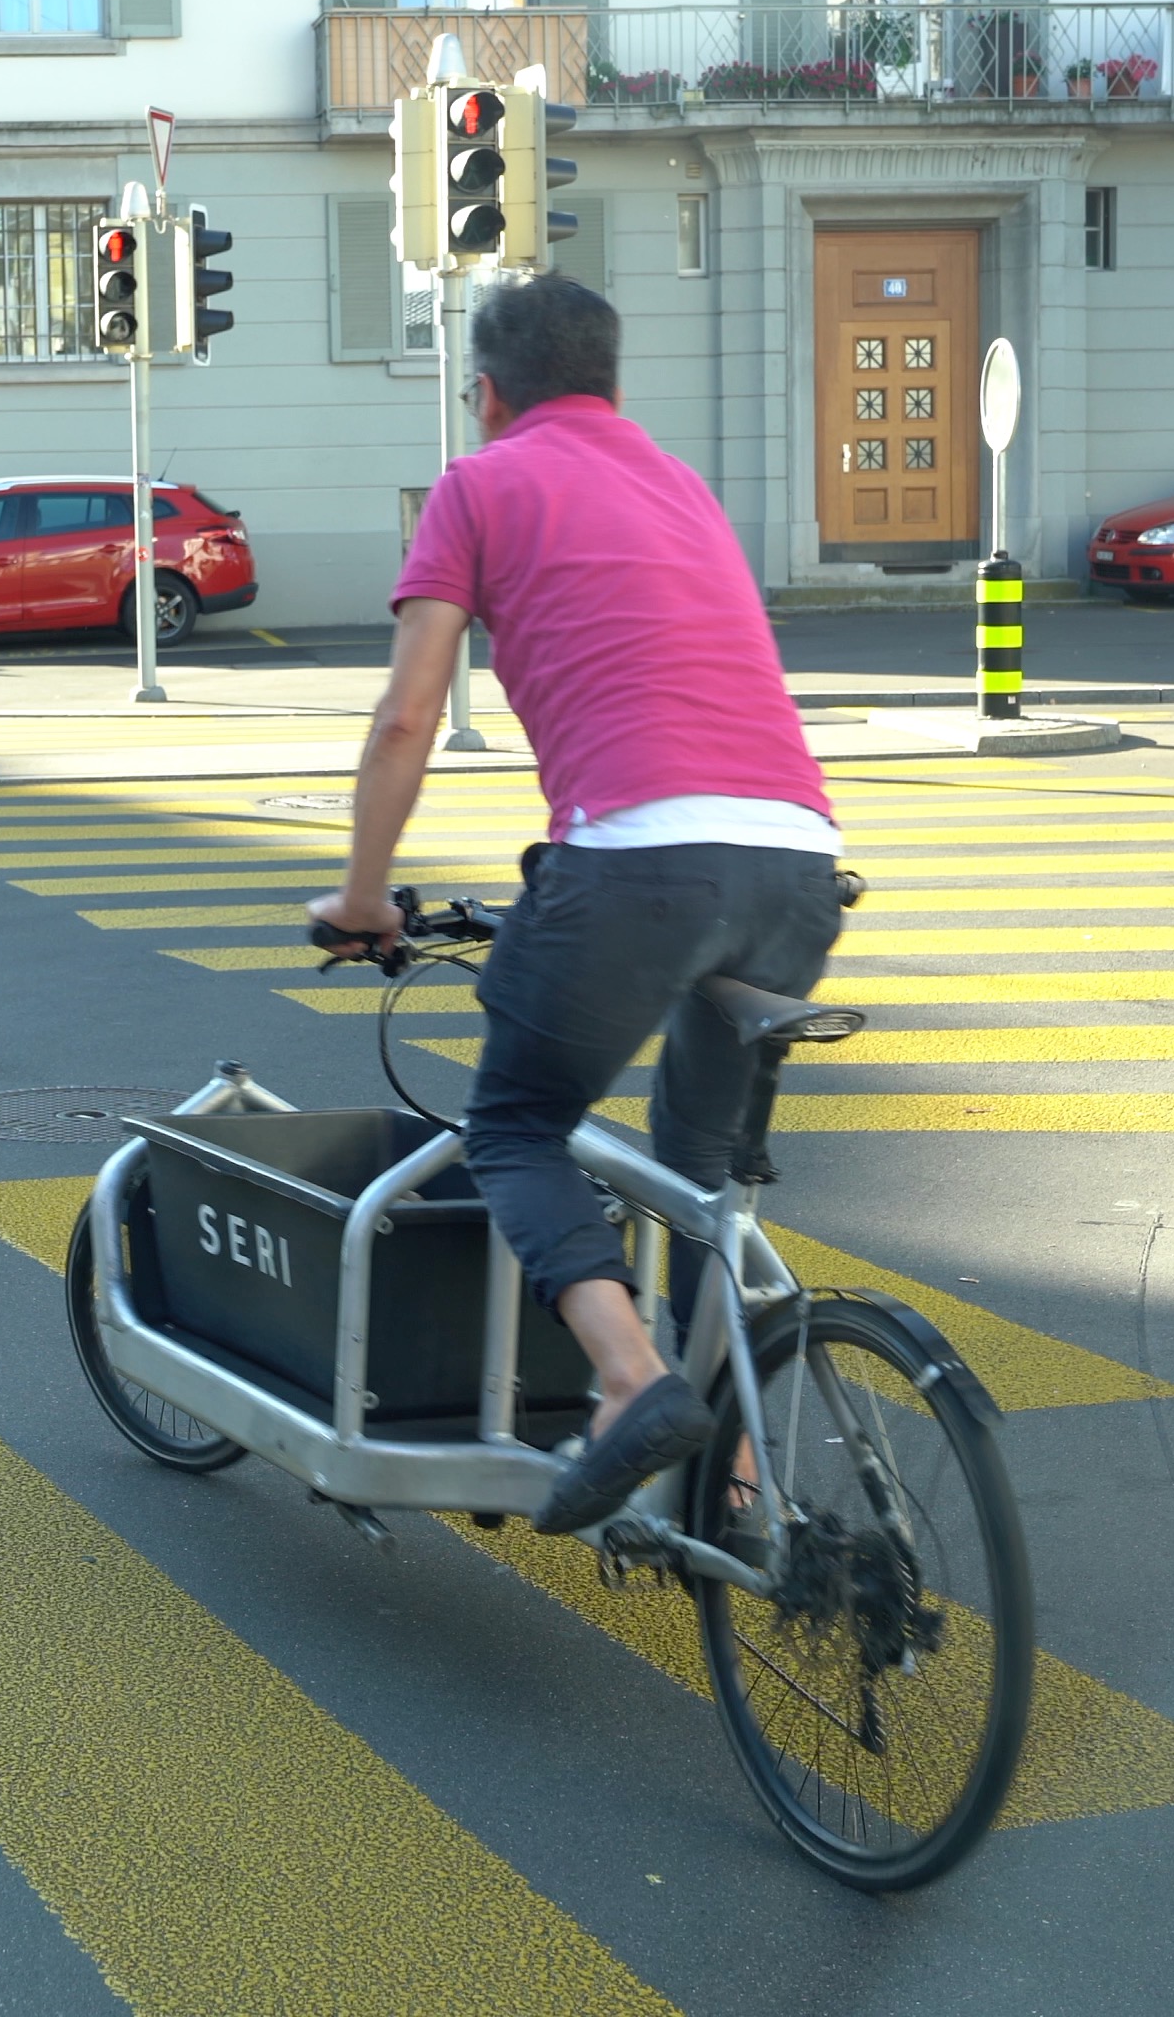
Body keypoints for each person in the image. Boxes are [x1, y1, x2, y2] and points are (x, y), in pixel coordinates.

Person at [308, 274, 842, 1536]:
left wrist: (365, 893)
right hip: (799, 856)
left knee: (515, 1128)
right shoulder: (682, 483)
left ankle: (631, 1377)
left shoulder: (479, 485)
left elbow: (407, 717)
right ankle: (744, 1491)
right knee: (701, 1170)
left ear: (485, 393)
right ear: (612, 383)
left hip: (636, 866)